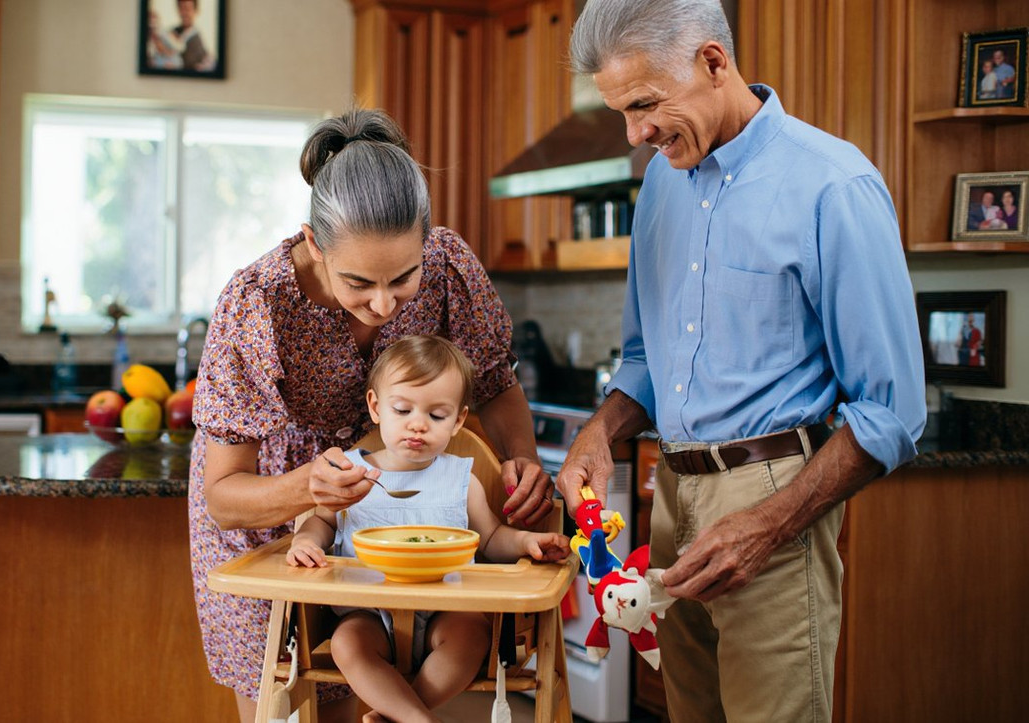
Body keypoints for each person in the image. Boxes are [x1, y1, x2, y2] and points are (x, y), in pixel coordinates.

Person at [560, 2, 926, 721]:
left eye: (644, 105)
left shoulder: (833, 186)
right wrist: (601, 430)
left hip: (775, 501)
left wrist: (768, 523)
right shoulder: (662, 182)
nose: (635, 134)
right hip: (673, 497)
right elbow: (644, 357)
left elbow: (893, 410)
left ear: (714, 63)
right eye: (621, 113)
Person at [188, 108, 555, 723]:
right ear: (314, 244)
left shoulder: (449, 267)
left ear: (427, 242)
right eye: (357, 282)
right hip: (276, 517)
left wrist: (521, 465)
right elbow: (223, 497)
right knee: (287, 701)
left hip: (403, 527)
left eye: (402, 277)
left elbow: (494, 384)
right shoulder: (256, 304)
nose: (383, 304)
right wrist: (307, 490)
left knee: (381, 687)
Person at [287, 335, 571, 723]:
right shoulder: (348, 474)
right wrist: (305, 542)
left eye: (437, 416)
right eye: (402, 410)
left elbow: (491, 538)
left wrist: (526, 541)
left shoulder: (459, 478)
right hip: (367, 610)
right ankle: (420, 720)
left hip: (447, 609)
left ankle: (399, 716)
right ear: (375, 407)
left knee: (473, 635)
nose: (418, 425)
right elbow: (320, 521)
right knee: (347, 644)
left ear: (457, 420)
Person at [146, 0, 214, 72]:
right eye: (182, 8)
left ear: (196, 11)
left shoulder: (197, 42)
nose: (185, 13)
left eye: (188, 9)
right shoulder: (171, 32)